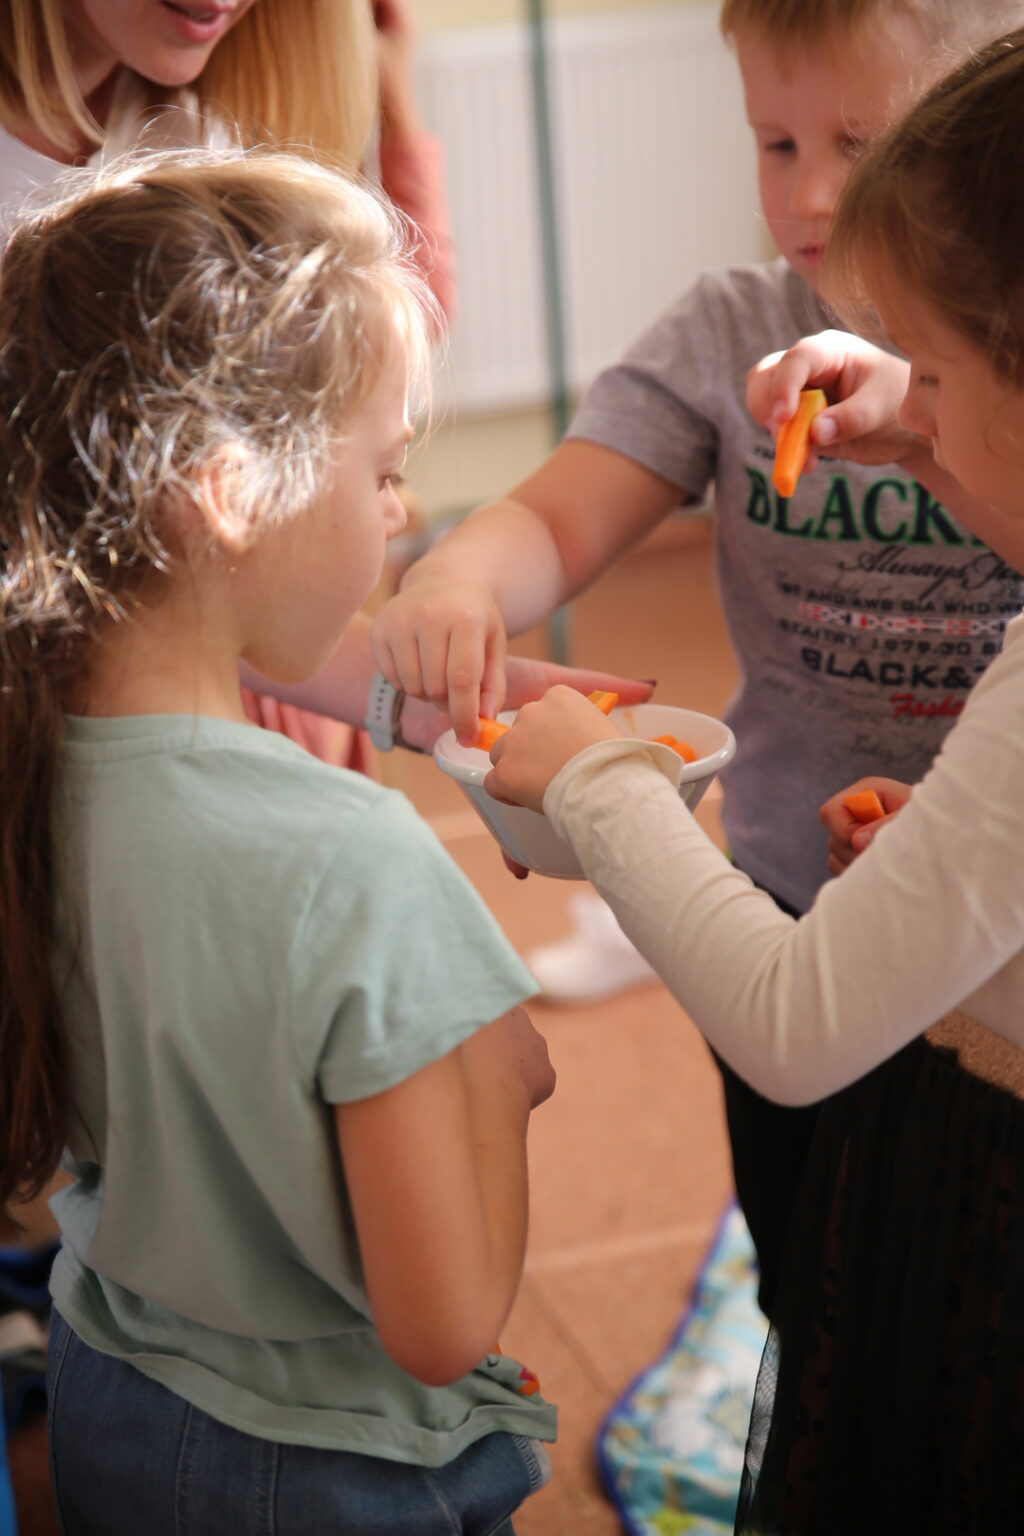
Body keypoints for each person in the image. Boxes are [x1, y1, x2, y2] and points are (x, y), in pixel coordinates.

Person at [370, 0, 1024, 1321]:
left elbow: (794, 1020)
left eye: (863, 142)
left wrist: (598, 787)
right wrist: (455, 576)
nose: (815, 192)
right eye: (776, 143)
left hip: (978, 933)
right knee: (814, 1268)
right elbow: (561, 514)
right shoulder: (731, 332)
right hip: (791, 877)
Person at [0, 148, 558, 1534]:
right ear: (228, 489)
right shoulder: (353, 856)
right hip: (336, 1475)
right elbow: (444, 1321)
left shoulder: (29, 779)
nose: (400, 513)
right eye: (385, 469)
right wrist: (501, 1079)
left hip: (111, 1393)